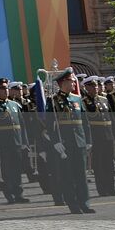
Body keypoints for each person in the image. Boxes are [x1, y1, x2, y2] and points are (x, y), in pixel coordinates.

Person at [49, 68, 94, 214]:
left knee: (81, 174)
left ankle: (85, 203)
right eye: (71, 81)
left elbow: (84, 121)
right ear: (63, 82)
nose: (74, 83)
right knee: (68, 175)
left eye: (74, 81)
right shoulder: (53, 100)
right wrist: (55, 141)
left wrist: (88, 140)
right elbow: (49, 124)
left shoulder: (77, 99)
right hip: (65, 142)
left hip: (79, 141)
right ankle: (73, 204)